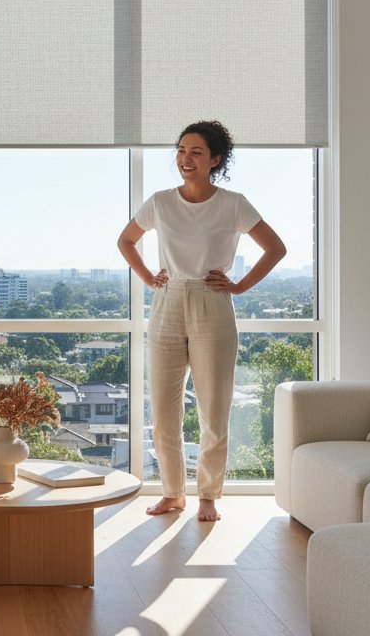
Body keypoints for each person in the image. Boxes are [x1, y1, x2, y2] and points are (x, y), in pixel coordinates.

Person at [117, 121, 286, 522]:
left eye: (195, 152)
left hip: (213, 303)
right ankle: (173, 493)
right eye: (180, 151)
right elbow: (126, 240)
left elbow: (275, 248)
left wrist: (240, 286)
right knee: (163, 409)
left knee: (214, 409)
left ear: (215, 159)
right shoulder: (160, 202)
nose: (185, 160)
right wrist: (146, 276)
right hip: (168, 302)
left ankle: (208, 495)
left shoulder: (233, 203)